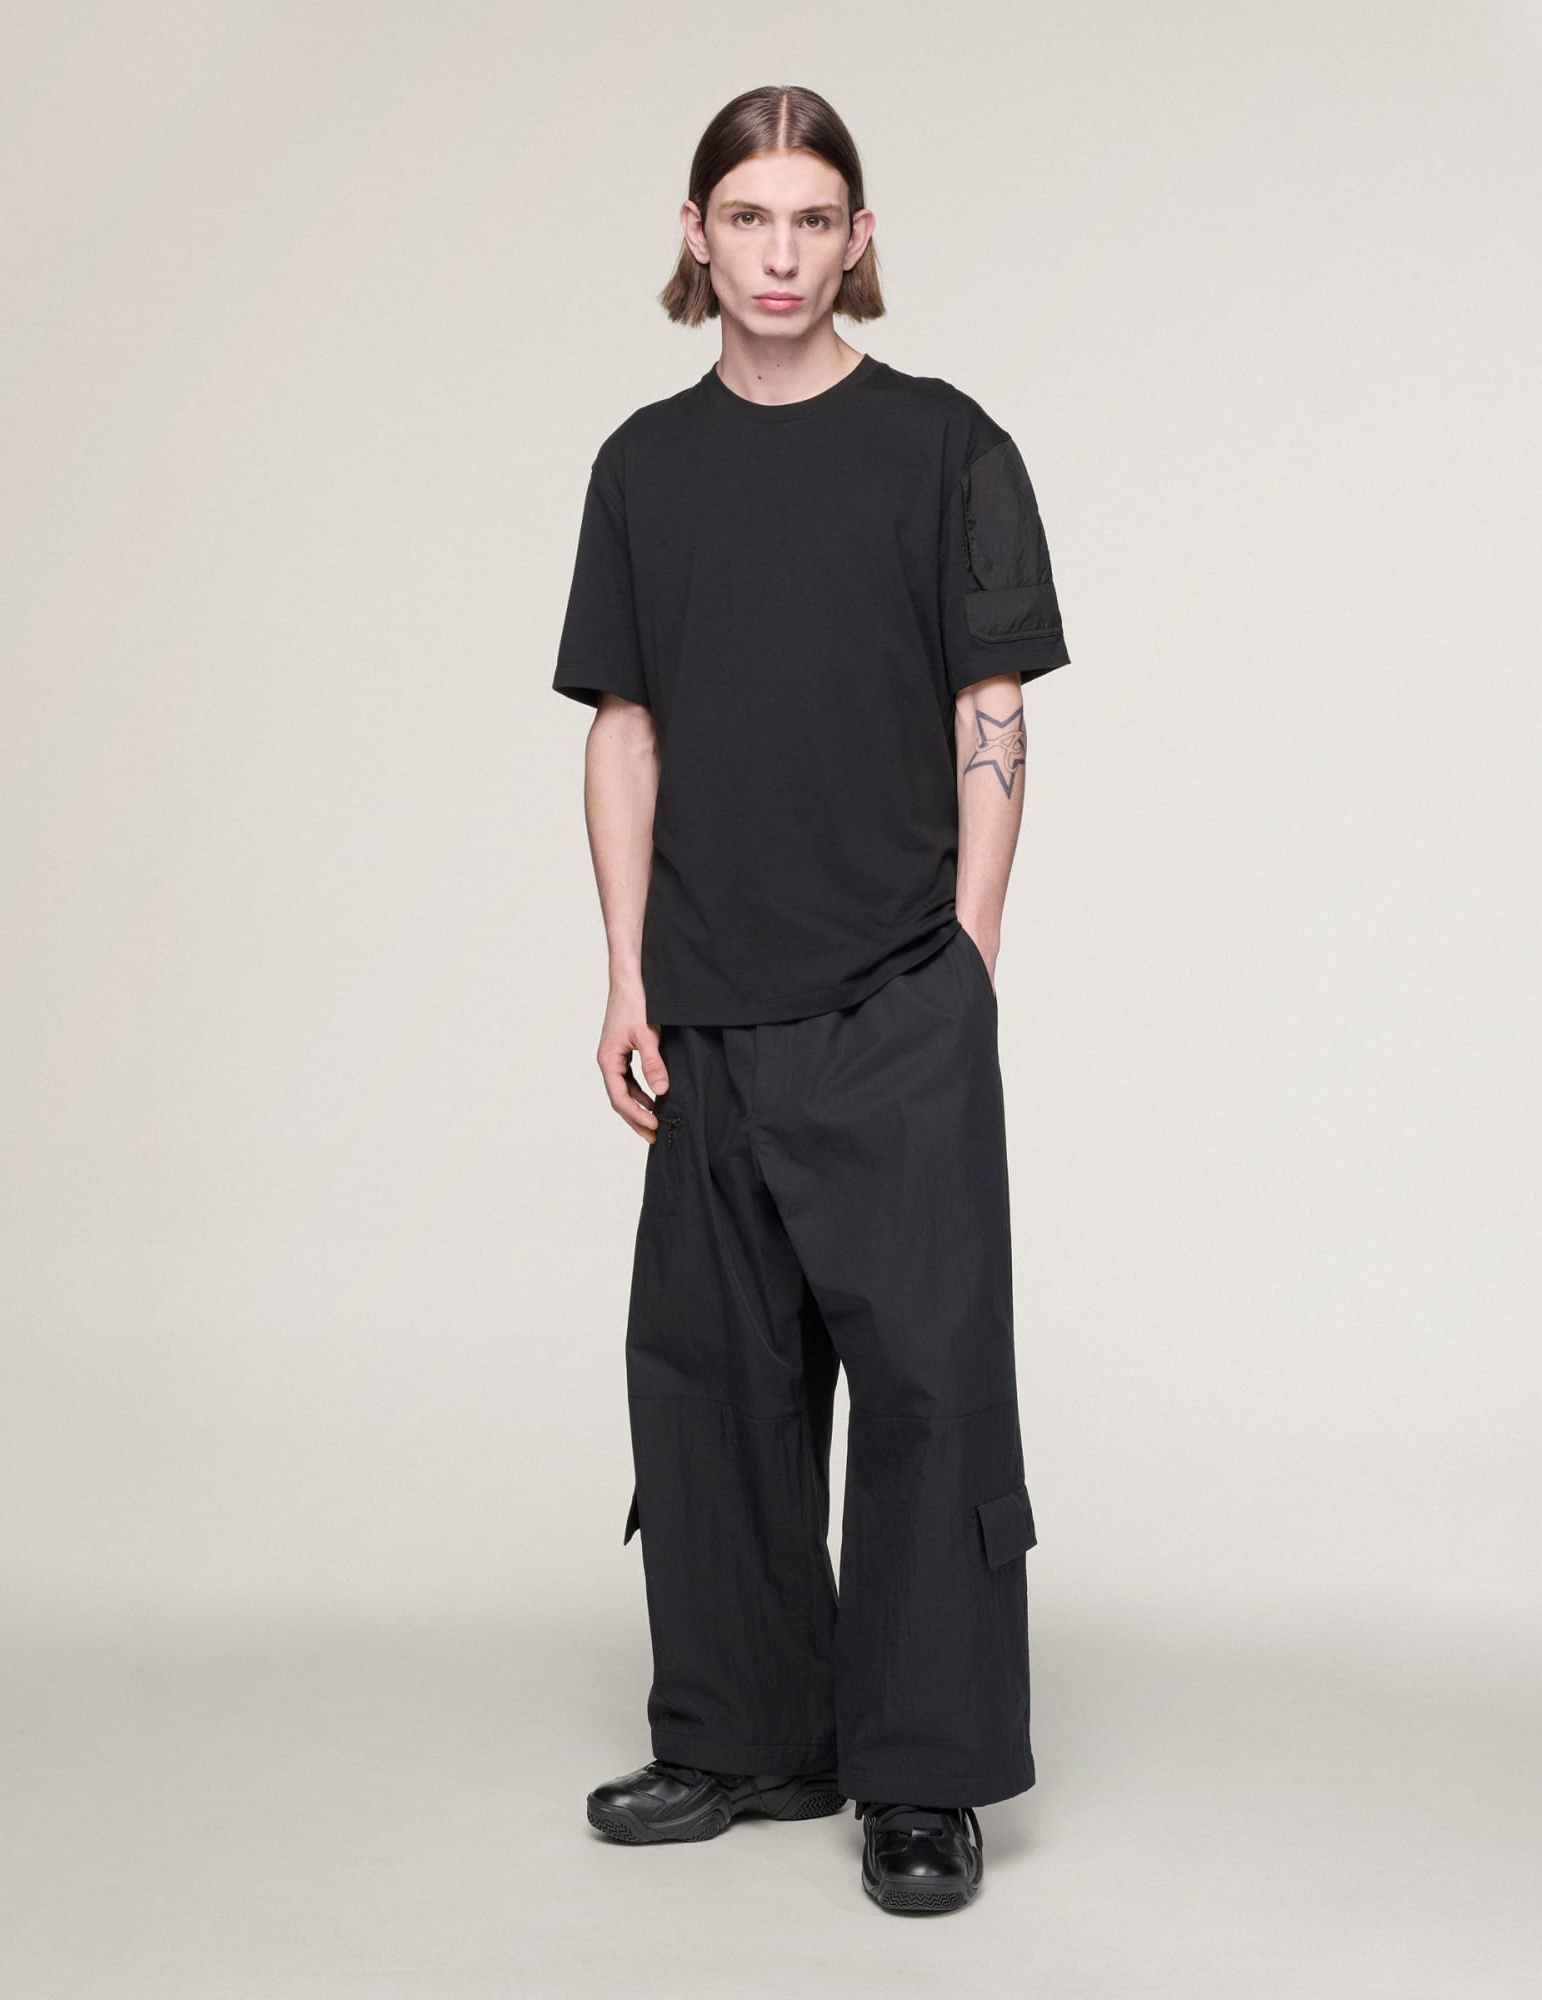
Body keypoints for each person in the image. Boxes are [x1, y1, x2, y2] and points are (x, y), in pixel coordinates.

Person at [551, 83, 1069, 1916]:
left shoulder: (947, 448)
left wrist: (968, 960)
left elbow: (993, 706)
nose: (780, 254)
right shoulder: (644, 467)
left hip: (893, 998)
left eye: (812, 219)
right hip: (705, 1008)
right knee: (712, 1385)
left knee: (928, 1390)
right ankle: (746, 1734)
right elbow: (625, 729)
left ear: (859, 241)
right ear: (697, 236)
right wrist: (626, 970)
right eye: (748, 217)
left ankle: (921, 1779)